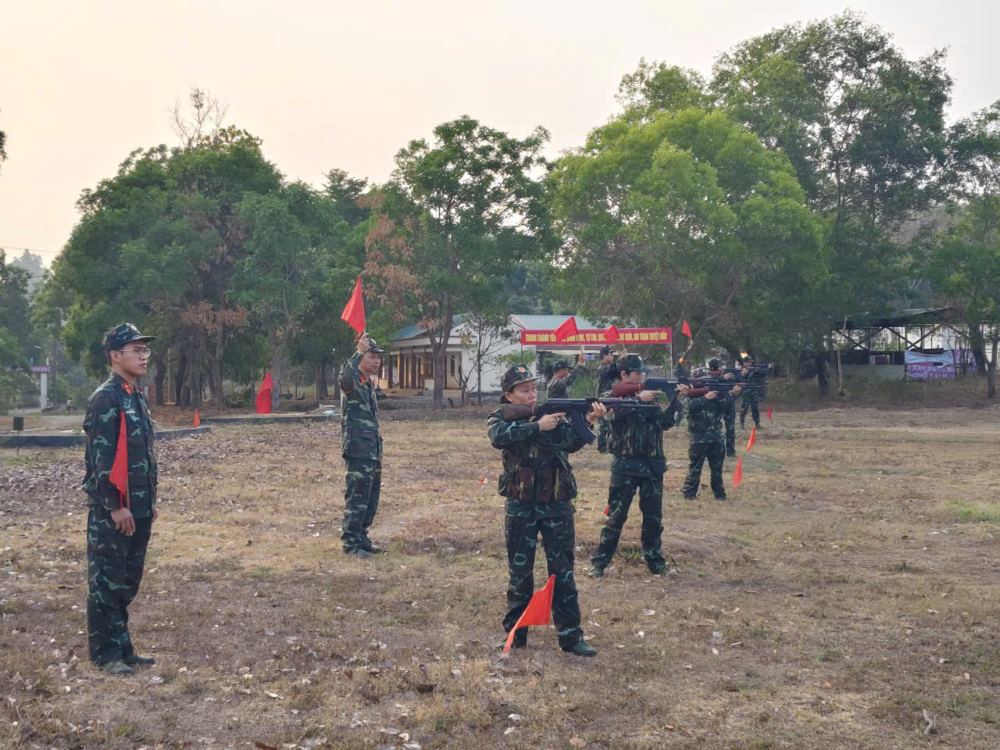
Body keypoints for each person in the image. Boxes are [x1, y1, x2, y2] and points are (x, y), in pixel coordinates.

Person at [487, 365, 605, 656]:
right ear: (508, 395)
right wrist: (537, 426)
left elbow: (571, 442)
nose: (531, 395)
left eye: (533, 389)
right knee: (520, 575)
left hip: (556, 505)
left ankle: (571, 637)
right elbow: (498, 436)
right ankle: (515, 635)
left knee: (563, 572)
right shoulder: (502, 417)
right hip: (521, 506)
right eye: (524, 390)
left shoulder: (552, 416)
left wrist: (588, 420)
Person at [83, 323, 158, 675]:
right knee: (106, 582)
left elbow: (143, 455)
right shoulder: (106, 398)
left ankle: (123, 648)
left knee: (127, 581)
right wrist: (115, 506)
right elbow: (102, 460)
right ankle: (104, 653)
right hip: (114, 510)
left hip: (139, 506)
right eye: (136, 350)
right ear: (115, 356)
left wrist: (148, 502)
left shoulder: (134, 395)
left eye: (145, 350)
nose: (144, 356)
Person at [589, 354, 689, 577]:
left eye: (642, 373)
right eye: (637, 373)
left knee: (653, 519)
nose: (641, 376)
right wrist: (637, 400)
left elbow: (664, 423)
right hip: (626, 465)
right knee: (616, 516)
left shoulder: (650, 397)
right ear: (624, 374)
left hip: (652, 465)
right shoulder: (612, 396)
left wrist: (676, 400)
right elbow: (610, 417)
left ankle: (656, 562)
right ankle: (599, 563)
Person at [339, 333, 386, 558]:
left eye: (378, 357)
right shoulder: (353, 380)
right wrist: (357, 353)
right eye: (372, 356)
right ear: (361, 358)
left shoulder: (368, 383)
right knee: (357, 498)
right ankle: (351, 543)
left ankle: (362, 536)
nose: (377, 361)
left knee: (370, 498)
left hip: (372, 450)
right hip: (358, 449)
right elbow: (344, 379)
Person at [681, 381, 742, 500]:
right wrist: (705, 398)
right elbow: (686, 408)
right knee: (695, 468)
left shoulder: (718, 399)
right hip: (699, 438)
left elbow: (727, 404)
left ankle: (719, 494)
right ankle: (689, 493)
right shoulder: (693, 399)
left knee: (717, 469)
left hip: (716, 438)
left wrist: (734, 394)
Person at [708, 358, 739, 457]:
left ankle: (730, 451)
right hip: (717, 405)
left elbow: (736, 387)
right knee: (714, 427)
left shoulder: (728, 376)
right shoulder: (709, 378)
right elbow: (710, 386)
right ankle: (714, 450)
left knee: (730, 428)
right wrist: (722, 378)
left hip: (728, 404)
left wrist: (733, 394)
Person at [596, 346, 620, 453]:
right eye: (610, 354)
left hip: (612, 398)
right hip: (603, 399)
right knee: (603, 424)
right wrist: (621, 359)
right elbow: (611, 369)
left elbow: (618, 371)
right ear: (604, 356)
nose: (612, 357)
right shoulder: (601, 368)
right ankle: (602, 447)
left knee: (611, 423)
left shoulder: (611, 368)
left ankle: (611, 446)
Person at [739, 355, 762, 430]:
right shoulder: (742, 370)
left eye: (750, 362)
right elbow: (741, 379)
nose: (750, 363)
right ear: (744, 363)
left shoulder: (753, 370)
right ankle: (742, 423)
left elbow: (761, 374)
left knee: (755, 408)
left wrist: (757, 370)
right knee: (744, 408)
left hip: (754, 392)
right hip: (746, 393)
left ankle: (757, 424)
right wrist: (745, 373)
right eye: (748, 362)